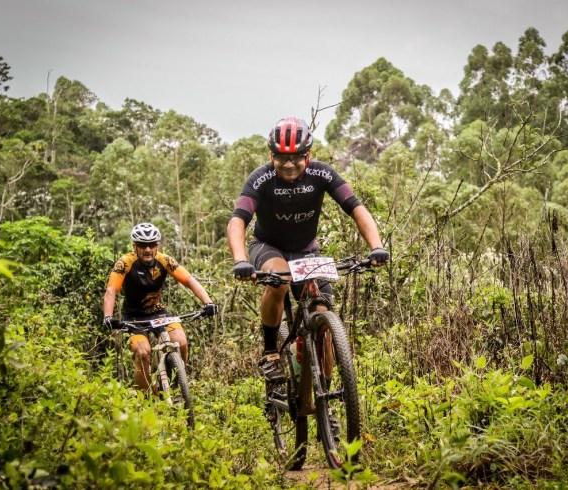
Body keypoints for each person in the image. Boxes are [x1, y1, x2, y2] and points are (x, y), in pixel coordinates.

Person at [226, 116, 389, 381]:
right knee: (279, 280)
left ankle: (326, 397)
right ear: (271, 155)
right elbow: (238, 221)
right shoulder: (260, 179)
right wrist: (240, 259)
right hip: (268, 246)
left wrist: (377, 246)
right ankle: (270, 352)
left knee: (323, 315)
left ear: (308, 155)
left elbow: (356, 208)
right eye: (281, 158)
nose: (289, 164)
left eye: (296, 157)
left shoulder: (322, 174)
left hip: (306, 250)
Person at [102, 222, 217, 392]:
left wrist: (208, 302)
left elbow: (189, 280)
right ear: (134, 246)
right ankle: (147, 399)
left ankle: (179, 386)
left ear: (157, 245)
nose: (147, 249)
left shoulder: (164, 260)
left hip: (158, 313)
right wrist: (108, 316)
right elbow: (111, 290)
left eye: (152, 245)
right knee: (142, 353)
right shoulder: (125, 263)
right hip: (134, 318)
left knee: (181, 342)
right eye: (142, 245)